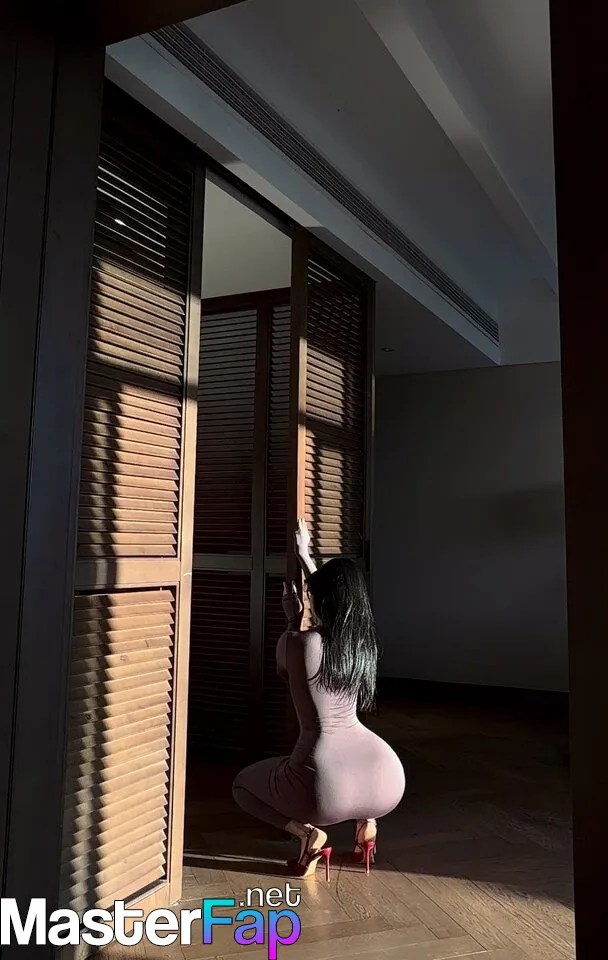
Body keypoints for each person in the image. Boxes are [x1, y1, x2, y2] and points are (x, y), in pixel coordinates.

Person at [232, 519, 406, 879]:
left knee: (242, 786)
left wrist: (292, 621)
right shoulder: (363, 645)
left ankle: (308, 834)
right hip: (384, 776)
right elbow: (334, 603)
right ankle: (366, 829)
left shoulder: (298, 643)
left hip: (324, 782)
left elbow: (285, 667)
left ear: (318, 601)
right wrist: (305, 556)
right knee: (354, 791)